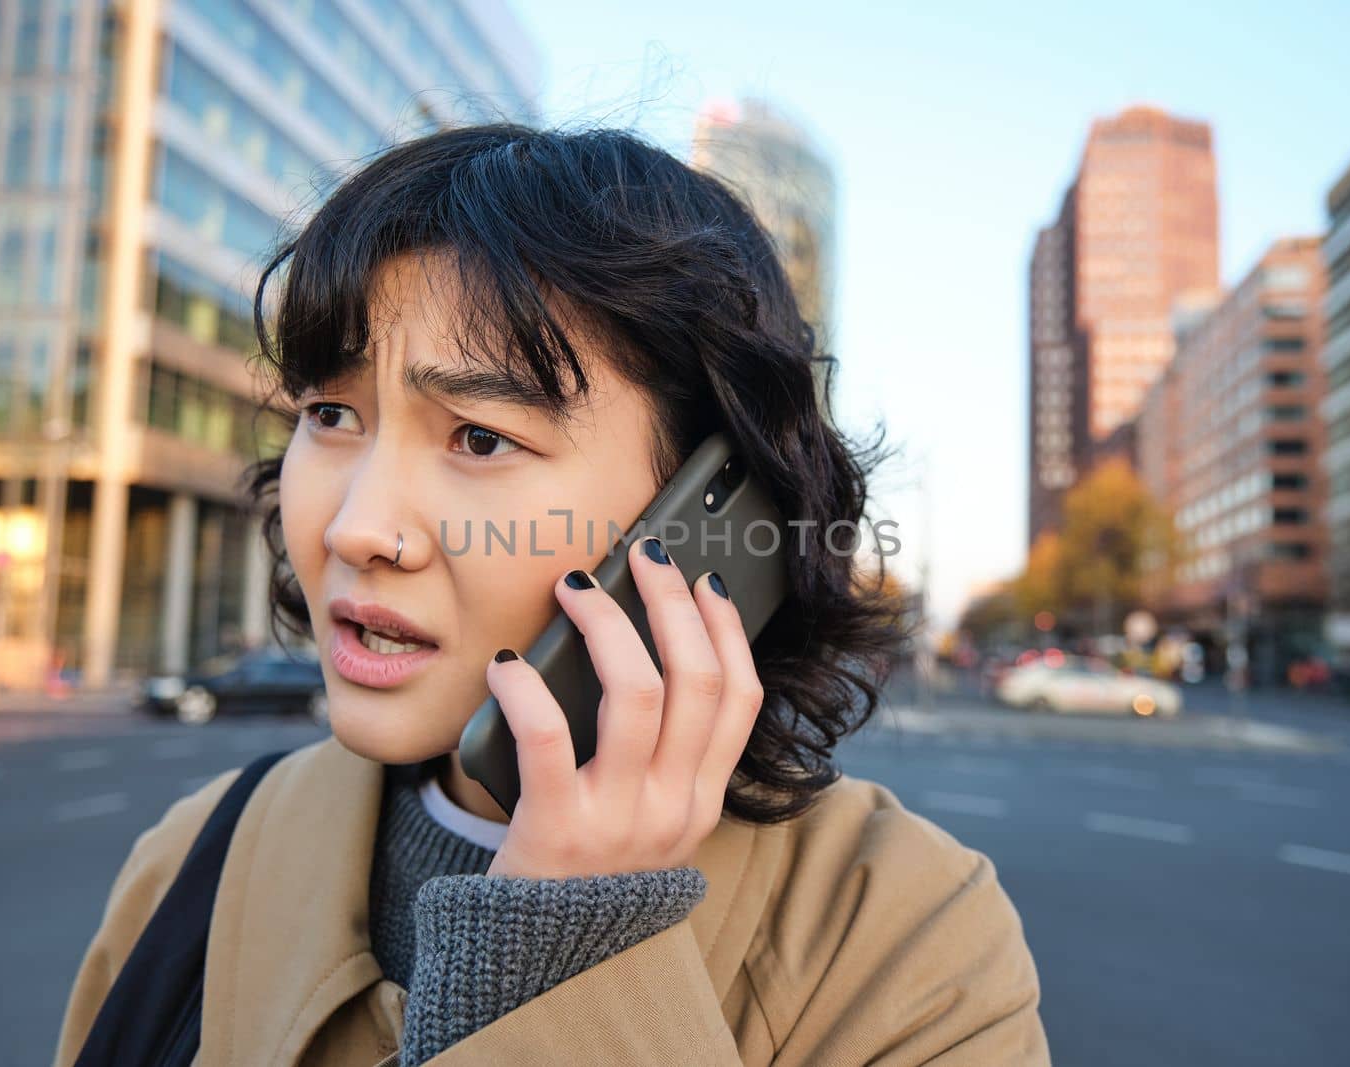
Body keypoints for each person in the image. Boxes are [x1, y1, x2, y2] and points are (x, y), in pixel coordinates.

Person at [53, 123, 1050, 1066]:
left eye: (479, 438)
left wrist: (562, 945)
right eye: (331, 412)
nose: (356, 525)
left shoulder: (904, 931)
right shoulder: (199, 855)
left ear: (708, 518)